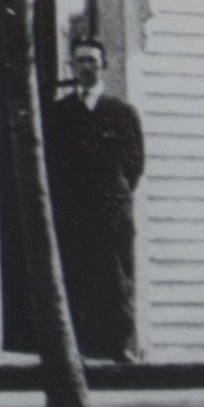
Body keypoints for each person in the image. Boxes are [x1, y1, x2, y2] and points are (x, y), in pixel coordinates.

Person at [44, 39, 147, 361]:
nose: (86, 67)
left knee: (116, 275)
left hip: (111, 208)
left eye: (92, 60)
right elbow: (51, 161)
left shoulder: (121, 112)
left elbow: (134, 163)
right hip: (74, 209)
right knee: (76, 273)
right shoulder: (60, 113)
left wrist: (115, 192)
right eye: (80, 61)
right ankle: (79, 347)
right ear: (72, 67)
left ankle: (119, 346)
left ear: (103, 65)